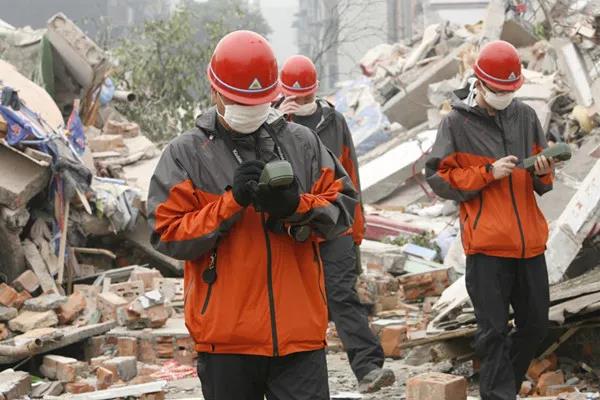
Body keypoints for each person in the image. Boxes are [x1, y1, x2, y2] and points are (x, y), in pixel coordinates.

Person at [147, 31, 358, 400]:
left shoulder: (302, 143)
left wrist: (296, 207)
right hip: (227, 342)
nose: (248, 109)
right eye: (238, 101)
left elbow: (343, 208)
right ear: (214, 92)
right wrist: (230, 204)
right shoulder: (187, 154)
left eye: (257, 102)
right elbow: (167, 234)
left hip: (299, 337)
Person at [425, 40, 554, 400]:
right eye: (498, 90)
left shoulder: (525, 116)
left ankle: (502, 389)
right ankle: (499, 395)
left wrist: (544, 170)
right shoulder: (455, 123)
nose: (503, 96)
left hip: (529, 243)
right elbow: (438, 177)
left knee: (535, 325)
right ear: (479, 83)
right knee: (492, 332)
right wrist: (487, 173)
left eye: (509, 90)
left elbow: (543, 180)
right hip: (487, 246)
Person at [276, 55, 395, 394]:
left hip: (335, 222)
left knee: (342, 294)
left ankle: (369, 368)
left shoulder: (334, 121)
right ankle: (296, 375)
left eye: (303, 95)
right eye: (292, 95)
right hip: (293, 226)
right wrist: (278, 121)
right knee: (296, 301)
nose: (298, 100)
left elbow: (350, 175)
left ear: (315, 91)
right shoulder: (271, 121)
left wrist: (356, 231)